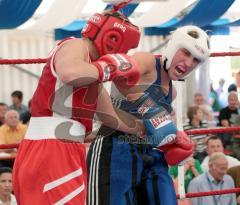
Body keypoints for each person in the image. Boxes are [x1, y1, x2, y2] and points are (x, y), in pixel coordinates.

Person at [13, 10, 144, 205]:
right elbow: (69, 72)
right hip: (54, 151)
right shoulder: (75, 45)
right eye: (125, 49)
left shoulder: (92, 71)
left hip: (55, 149)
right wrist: (108, 68)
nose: (124, 55)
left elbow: (110, 116)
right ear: (113, 38)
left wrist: (147, 127)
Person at [87, 25, 210, 205]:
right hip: (114, 145)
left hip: (150, 152)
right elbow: (120, 76)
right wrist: (149, 108)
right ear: (173, 46)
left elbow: (156, 128)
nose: (189, 63)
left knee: (165, 199)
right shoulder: (147, 61)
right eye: (186, 52)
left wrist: (173, 140)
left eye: (196, 60)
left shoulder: (172, 93)